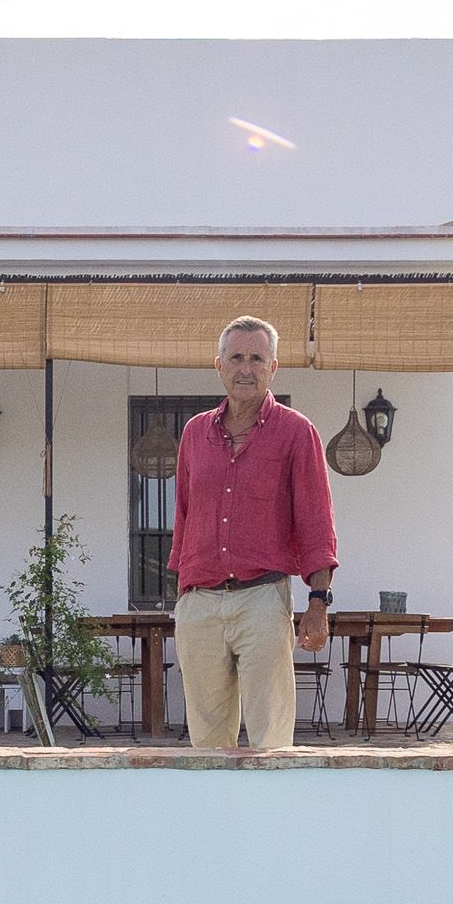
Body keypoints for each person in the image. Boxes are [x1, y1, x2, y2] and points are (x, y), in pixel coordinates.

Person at [169, 314, 338, 750]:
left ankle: (275, 817)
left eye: (257, 358)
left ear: (273, 367)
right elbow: (184, 516)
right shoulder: (193, 434)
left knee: (271, 738)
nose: (246, 368)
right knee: (206, 742)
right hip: (200, 602)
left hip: (263, 599)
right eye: (237, 357)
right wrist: (183, 592)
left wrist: (318, 603)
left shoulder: (296, 433)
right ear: (219, 365)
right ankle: (212, 817)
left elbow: (317, 523)